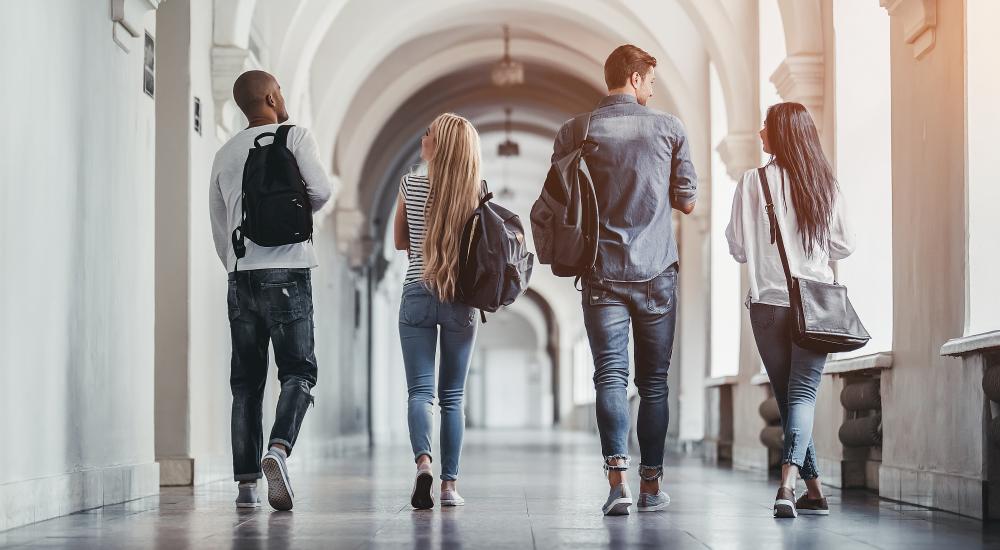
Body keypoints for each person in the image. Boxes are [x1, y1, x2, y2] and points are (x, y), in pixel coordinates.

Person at [551, 45, 697, 516]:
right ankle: (651, 486)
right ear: (634, 79)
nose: (653, 90)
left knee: (608, 377)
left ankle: (618, 484)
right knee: (653, 384)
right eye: (650, 81)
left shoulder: (576, 130)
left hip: (601, 273)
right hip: (657, 273)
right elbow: (687, 200)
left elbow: (560, 199)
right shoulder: (669, 128)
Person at [209, 70, 333, 511]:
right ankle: (277, 450)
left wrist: (239, 264)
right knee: (298, 371)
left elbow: (219, 226)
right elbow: (322, 192)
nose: (282, 96)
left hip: (241, 276)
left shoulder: (224, 152)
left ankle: (245, 486)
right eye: (278, 89)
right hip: (289, 271)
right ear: (269, 96)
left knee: (245, 383)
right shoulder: (294, 137)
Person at [725, 102, 854, 518]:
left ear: (781, 134)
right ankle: (802, 488)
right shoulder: (824, 184)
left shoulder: (751, 182)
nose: (760, 131)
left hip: (767, 307)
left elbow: (738, 248)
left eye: (766, 125)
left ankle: (795, 487)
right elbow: (844, 246)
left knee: (789, 398)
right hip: (815, 305)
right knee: (798, 398)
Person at [393, 113, 482, 510]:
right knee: (452, 398)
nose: (422, 136)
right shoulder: (475, 191)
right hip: (460, 298)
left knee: (420, 392)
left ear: (439, 145)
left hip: (416, 291)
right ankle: (449, 486)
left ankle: (423, 464)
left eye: (427, 132)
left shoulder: (409, 183)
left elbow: (400, 242)